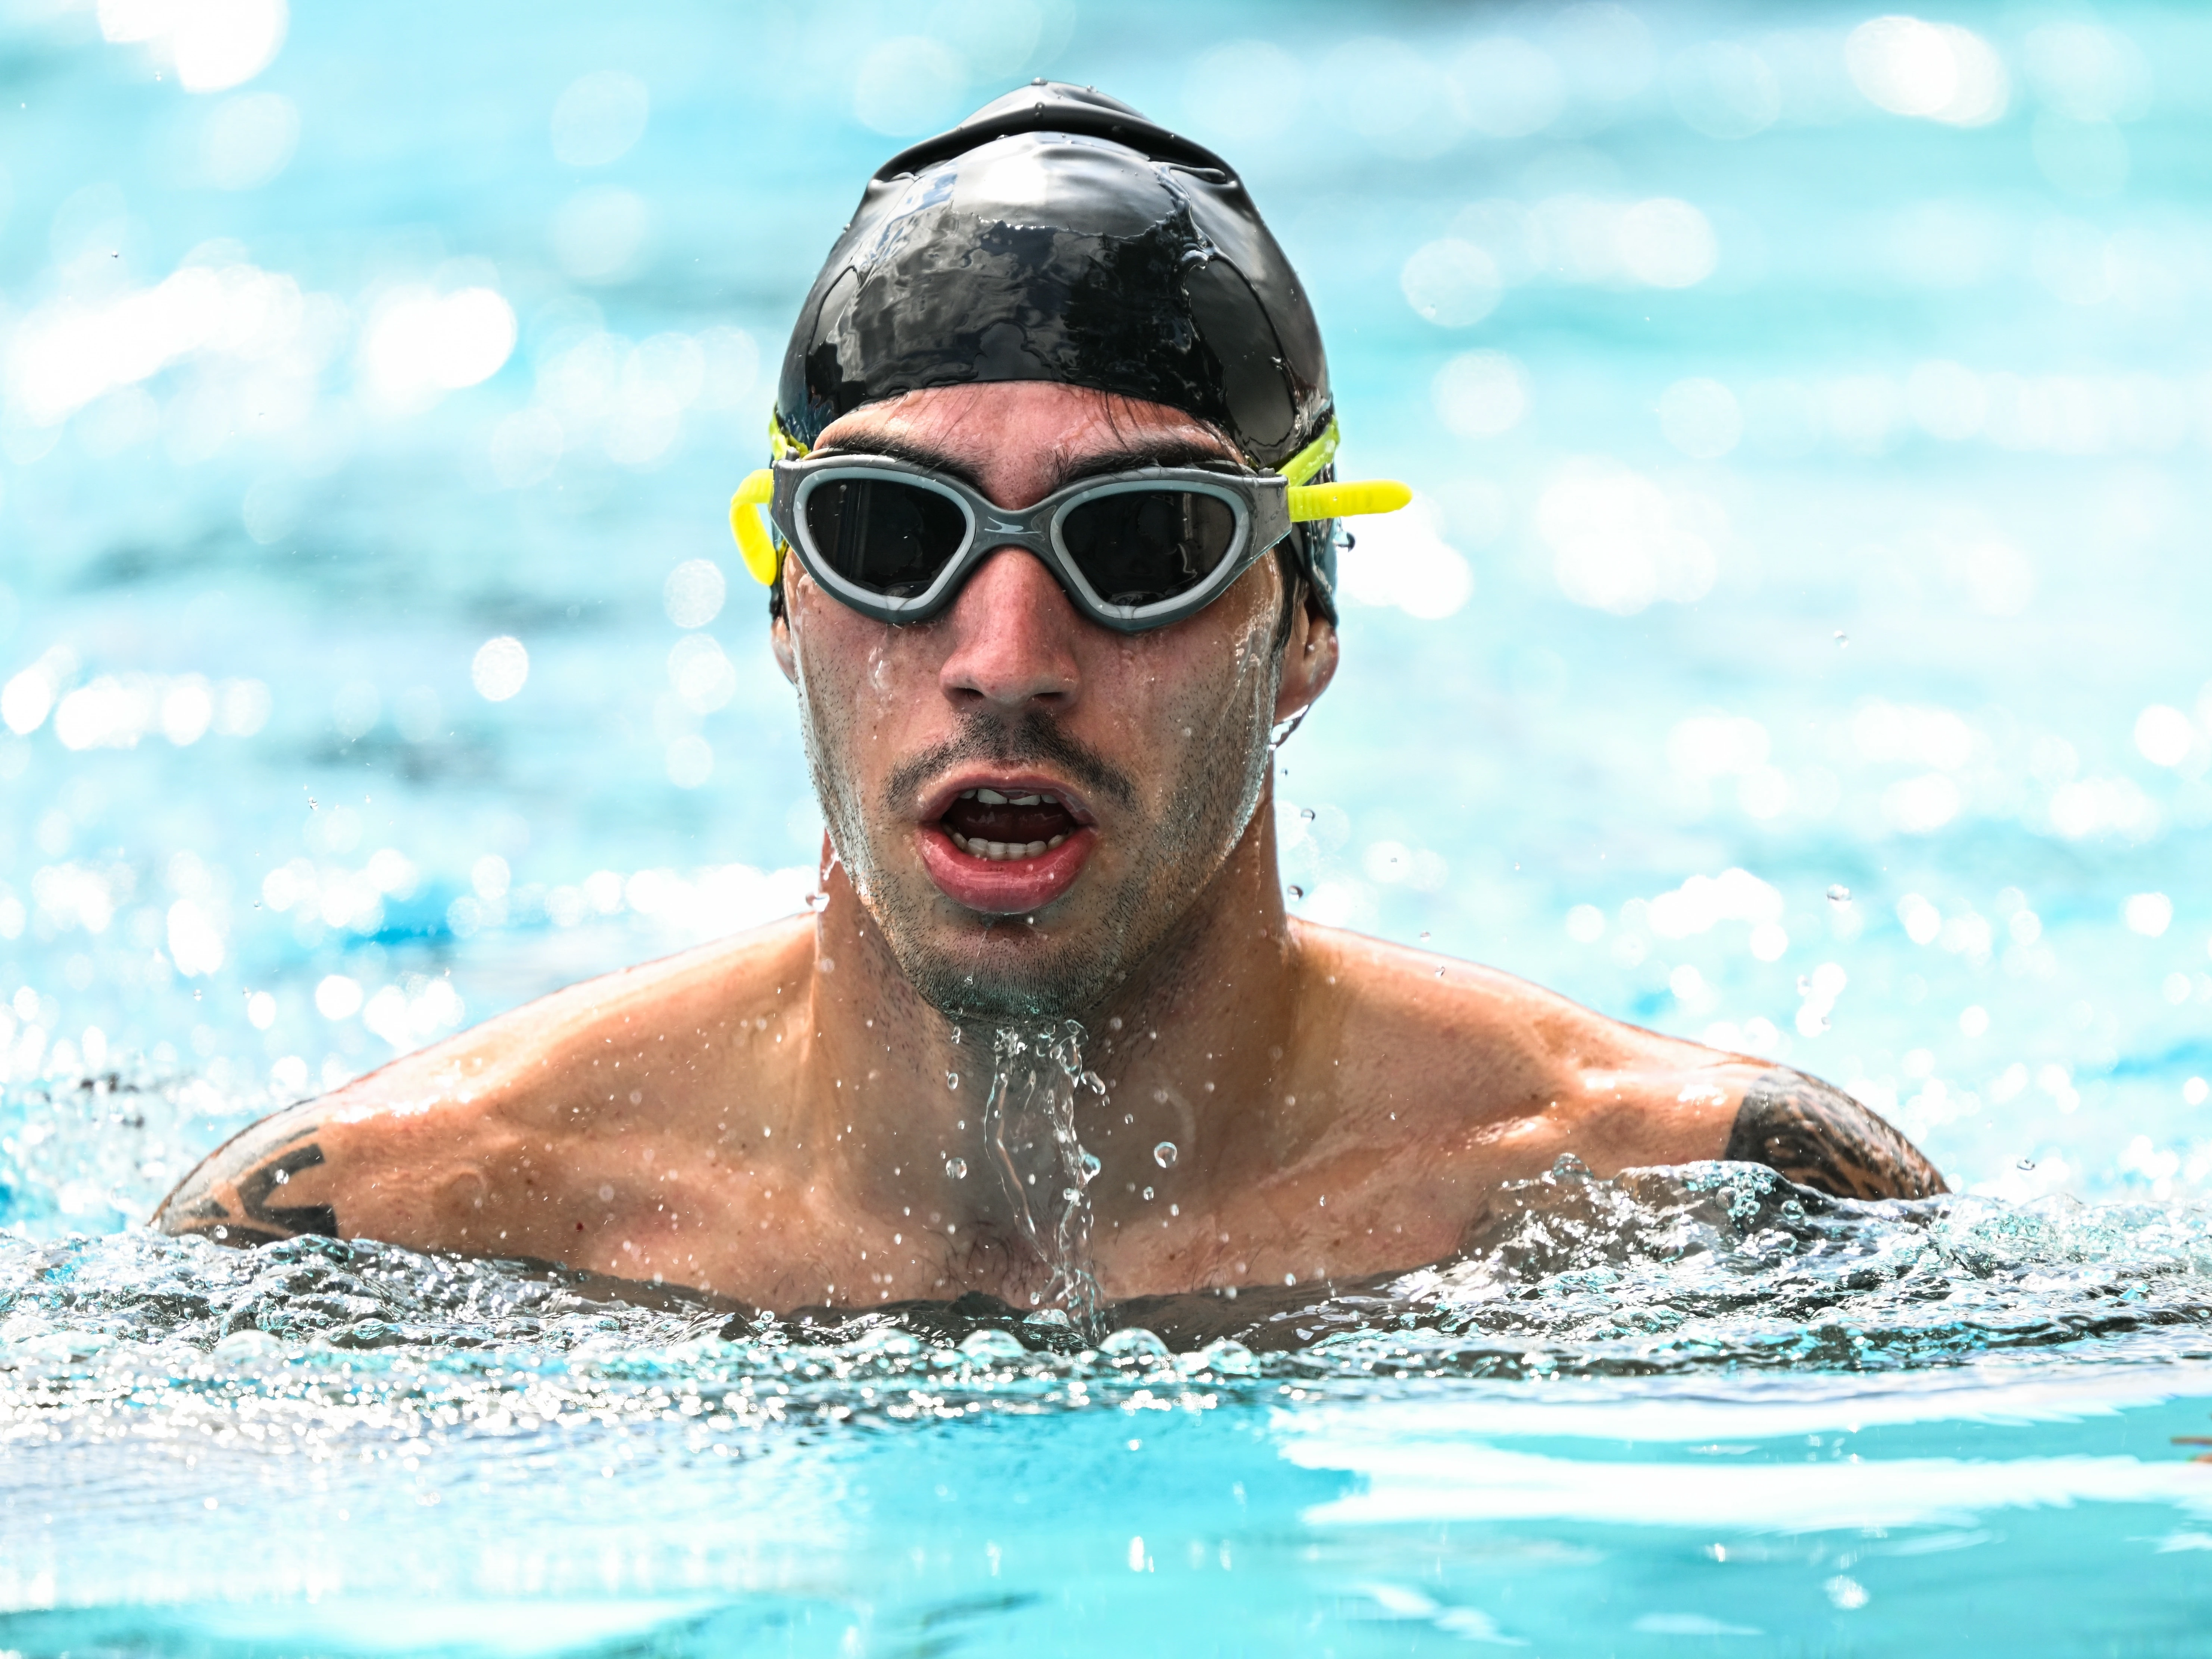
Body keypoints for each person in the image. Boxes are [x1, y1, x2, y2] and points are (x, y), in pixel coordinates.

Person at [156, 85, 1941, 1313]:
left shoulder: (1693, 1199)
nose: (1005, 657)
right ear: (785, 603)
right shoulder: (395, 1221)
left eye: (1145, 538)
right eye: (888, 530)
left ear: (1303, 622)